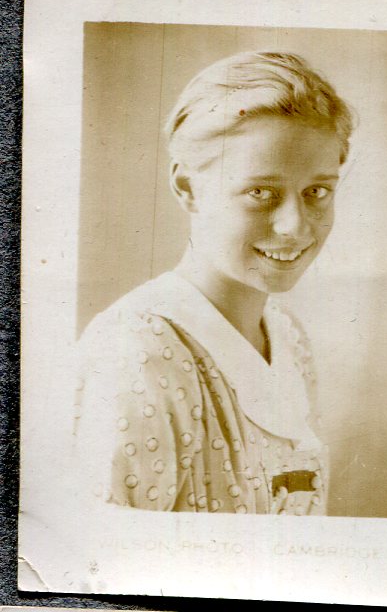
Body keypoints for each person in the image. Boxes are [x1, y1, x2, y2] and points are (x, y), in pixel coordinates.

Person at [74, 51, 353, 515]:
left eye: (316, 192)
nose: (295, 226)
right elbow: (107, 551)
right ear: (187, 187)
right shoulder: (137, 348)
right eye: (260, 192)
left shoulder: (286, 334)